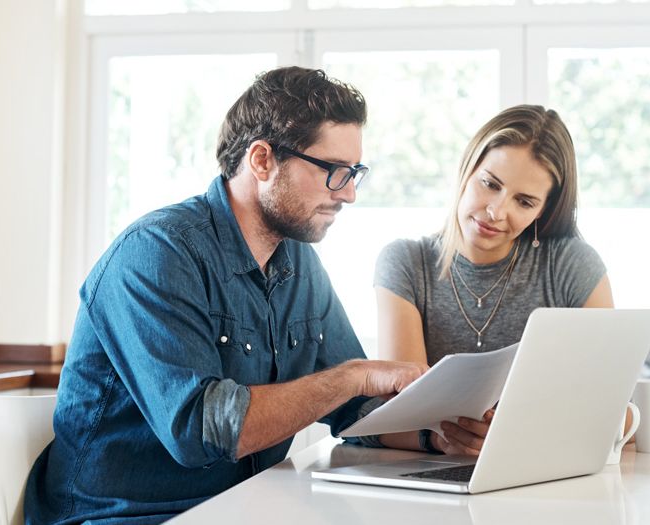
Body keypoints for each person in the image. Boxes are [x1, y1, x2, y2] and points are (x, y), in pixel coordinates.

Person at [24, 66, 425, 524]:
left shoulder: (298, 262)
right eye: (334, 171)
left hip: (243, 509)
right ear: (261, 161)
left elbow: (354, 409)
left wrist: (438, 436)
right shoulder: (157, 253)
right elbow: (201, 431)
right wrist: (354, 375)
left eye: (354, 172)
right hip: (128, 516)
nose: (349, 193)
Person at [371, 105, 614, 456]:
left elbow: (612, 407)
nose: (496, 212)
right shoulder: (407, 263)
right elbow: (404, 412)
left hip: (540, 470)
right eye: (490, 184)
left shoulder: (571, 265)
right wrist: (446, 440)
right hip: (436, 476)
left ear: (543, 211)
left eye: (524, 201)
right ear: (467, 168)